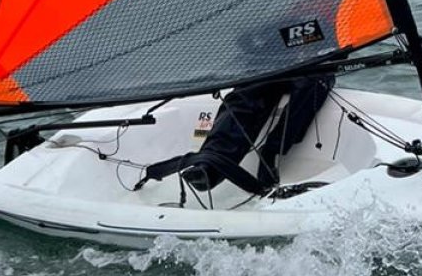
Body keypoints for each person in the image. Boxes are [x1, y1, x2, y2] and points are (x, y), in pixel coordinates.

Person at [136, 71, 334, 196]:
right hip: (274, 59)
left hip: (314, 64)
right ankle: (212, 163)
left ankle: (270, 152)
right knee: (244, 96)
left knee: (313, 84)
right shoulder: (281, 9)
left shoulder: (333, 8)